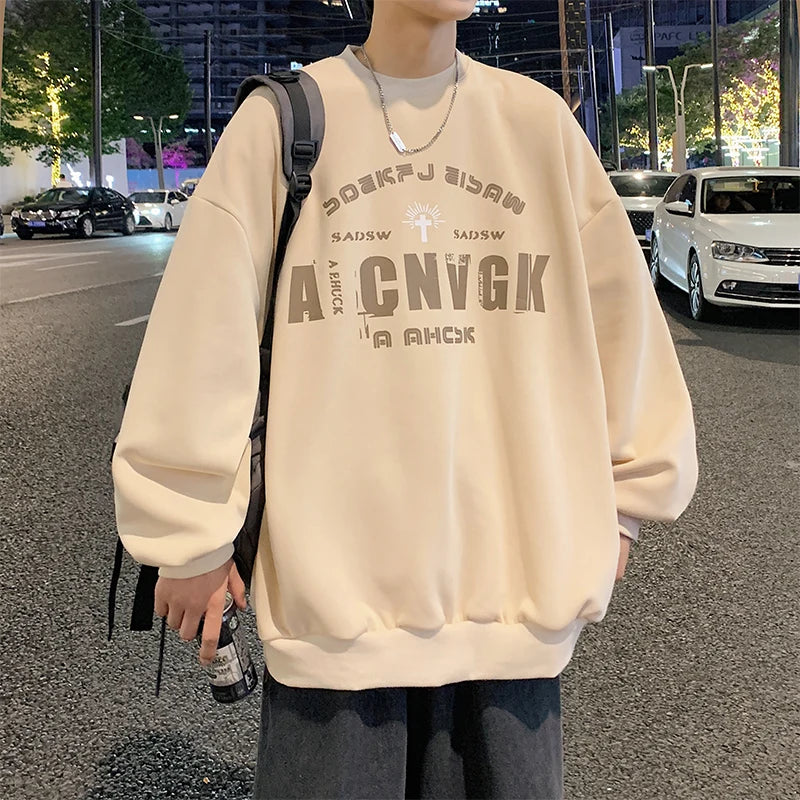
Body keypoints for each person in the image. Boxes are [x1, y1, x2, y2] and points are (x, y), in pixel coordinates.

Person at [111, 1, 698, 797]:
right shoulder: (282, 124)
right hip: (333, 606)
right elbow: (202, 333)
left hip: (511, 601)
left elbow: (622, 326)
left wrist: (626, 499)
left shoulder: (536, 124)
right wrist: (188, 535)